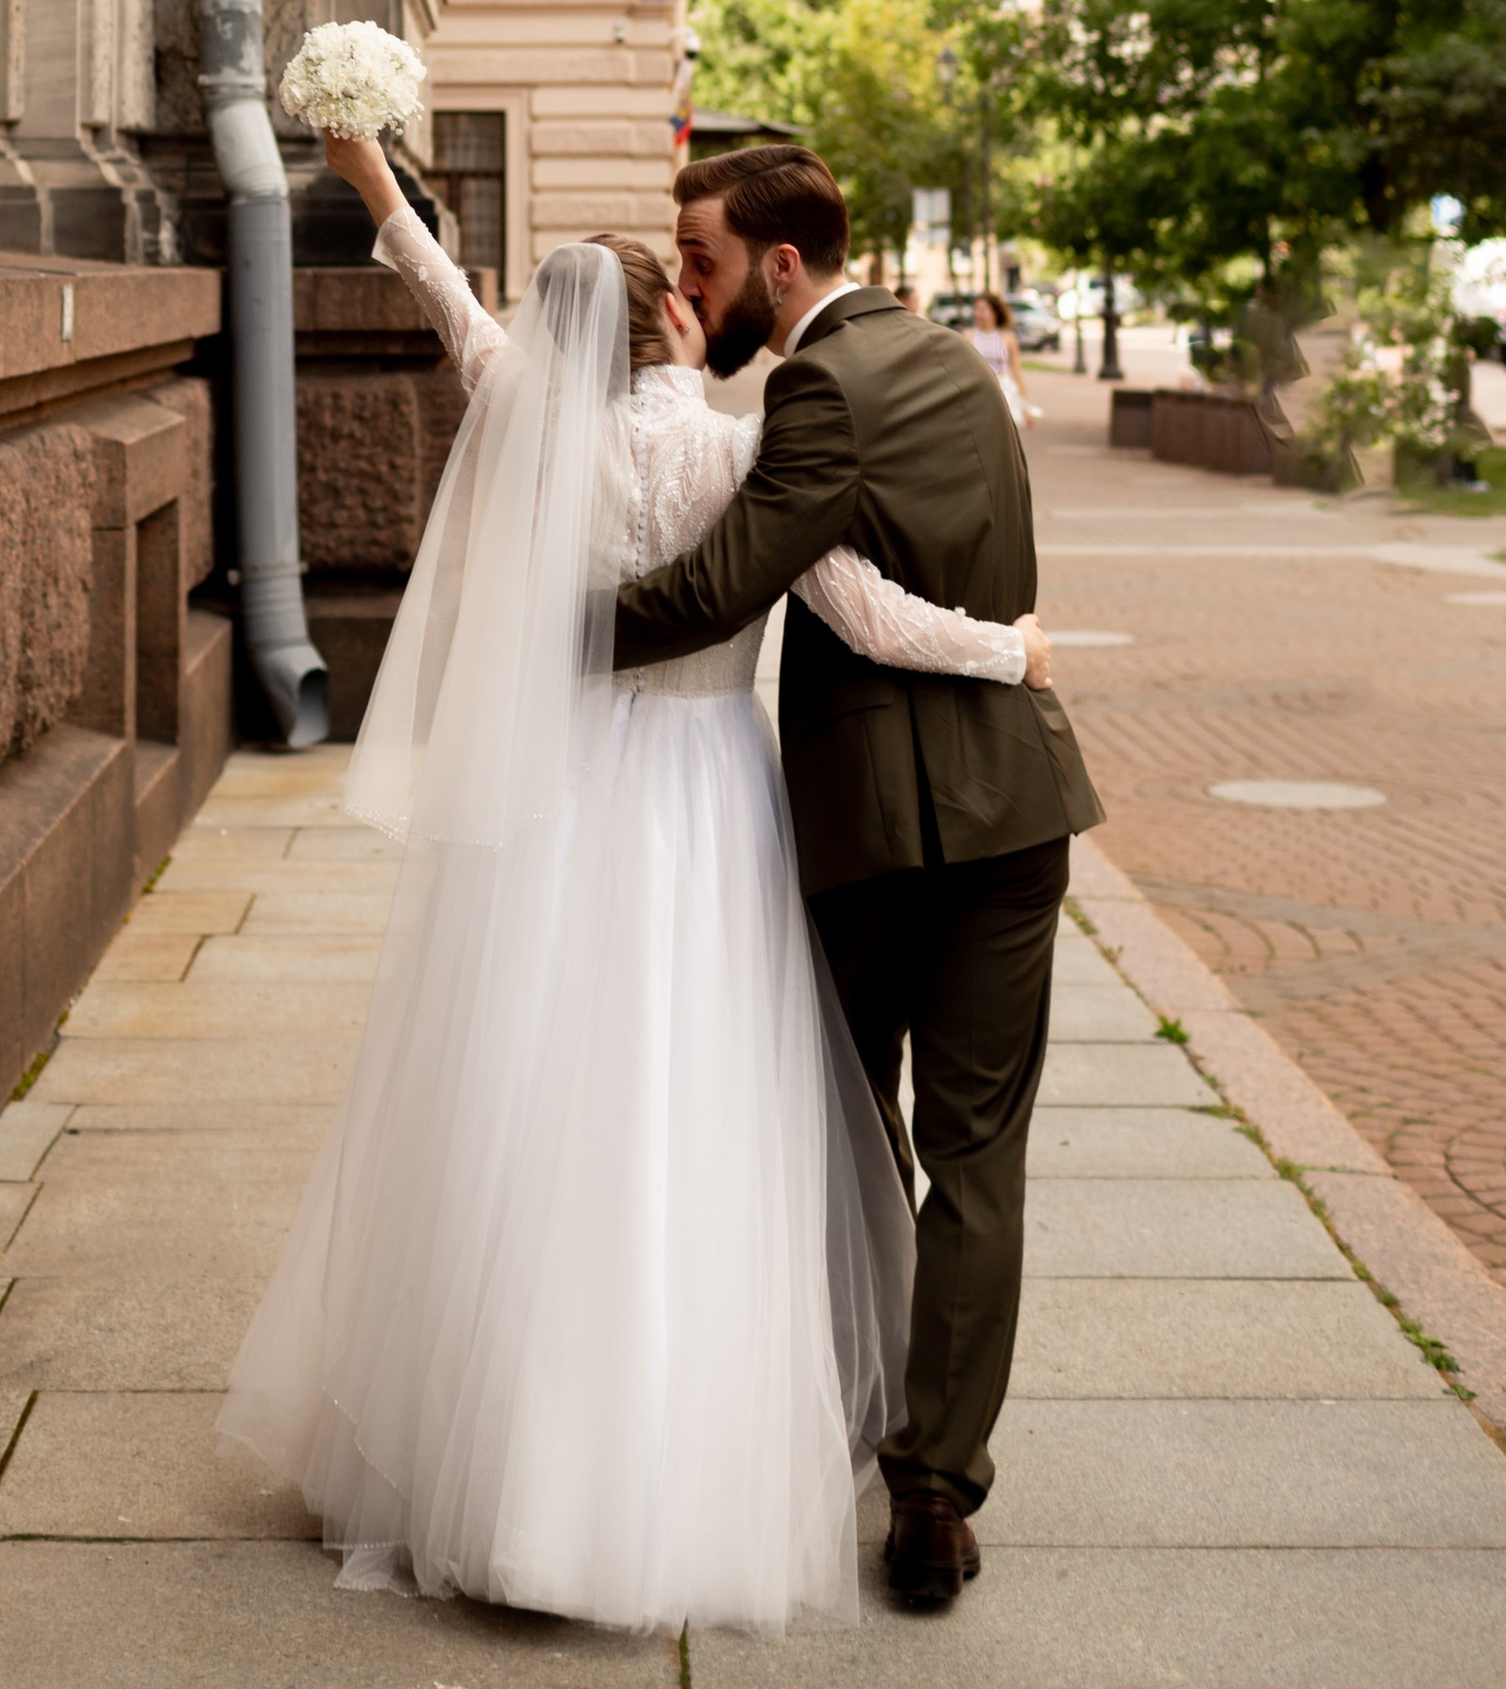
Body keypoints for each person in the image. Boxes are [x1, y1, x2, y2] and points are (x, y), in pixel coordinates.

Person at [220, 128, 1058, 1634]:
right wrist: (1014, 648)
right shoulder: (741, 451)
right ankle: (698, 1451)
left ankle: (498, 1464)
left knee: (532, 1110)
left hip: (561, 813)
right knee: (691, 1113)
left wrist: (367, 174)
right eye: (679, 277)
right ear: (669, 320)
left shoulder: (533, 421)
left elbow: (443, 301)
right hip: (703, 806)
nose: (695, 286)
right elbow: (863, 613)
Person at [614, 145, 1104, 1615]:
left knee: (840, 1128)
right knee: (980, 1158)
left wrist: (528, 628)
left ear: (779, 266)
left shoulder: (813, 388)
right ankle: (935, 1486)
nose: (688, 278)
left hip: (885, 826)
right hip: (1020, 805)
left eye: (700, 254)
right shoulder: (961, 362)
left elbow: (724, 583)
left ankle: (835, 1415)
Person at [971, 285, 1040, 425]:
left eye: (983, 310)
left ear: (994, 313)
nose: (978, 314)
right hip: (977, 391)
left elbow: (1017, 370)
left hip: (1002, 390)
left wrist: (1025, 405)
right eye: (976, 309)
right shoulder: (968, 336)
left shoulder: (1007, 338)